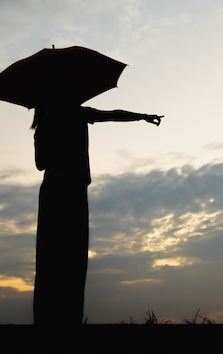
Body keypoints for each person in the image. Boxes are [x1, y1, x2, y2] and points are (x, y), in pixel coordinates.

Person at [30, 104, 163, 326]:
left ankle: (52, 317)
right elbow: (111, 116)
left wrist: (140, 117)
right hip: (69, 191)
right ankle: (63, 317)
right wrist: (141, 117)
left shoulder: (47, 122)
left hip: (56, 191)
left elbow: (40, 163)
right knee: (68, 255)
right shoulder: (74, 114)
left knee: (54, 255)